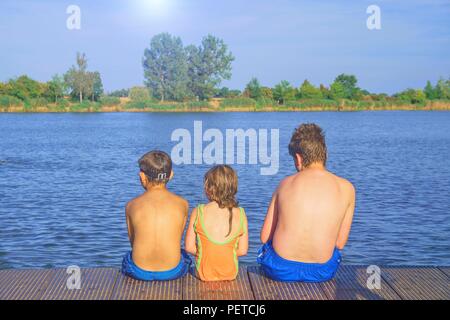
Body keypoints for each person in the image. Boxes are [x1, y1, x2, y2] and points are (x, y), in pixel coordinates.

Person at [258, 123, 355, 282]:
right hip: (322, 271)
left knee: (266, 249)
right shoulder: (346, 188)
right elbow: (340, 243)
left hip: (281, 269)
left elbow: (264, 237)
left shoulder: (285, 184)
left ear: (298, 158)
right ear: (325, 154)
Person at [121, 150, 191, 281]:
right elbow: (177, 238)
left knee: (127, 258)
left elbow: (133, 242)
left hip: (139, 271)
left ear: (142, 176)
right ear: (171, 175)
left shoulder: (131, 205)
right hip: (172, 271)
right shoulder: (183, 204)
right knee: (185, 257)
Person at [185, 165, 248, 281]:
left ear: (208, 188)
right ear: (233, 187)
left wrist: (207, 253)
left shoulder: (198, 211)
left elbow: (189, 247)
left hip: (204, 274)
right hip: (230, 273)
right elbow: (243, 250)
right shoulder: (241, 213)